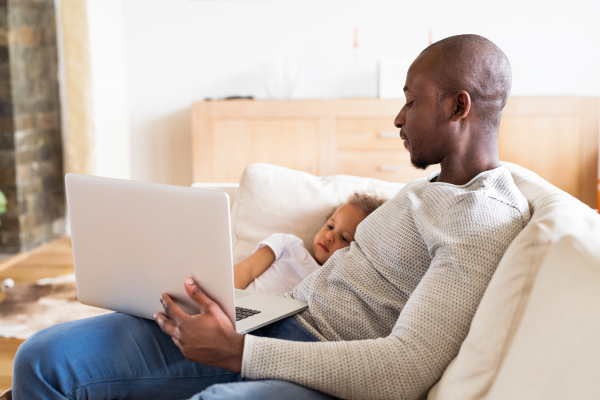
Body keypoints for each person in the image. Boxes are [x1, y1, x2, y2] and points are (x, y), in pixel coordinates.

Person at [11, 34, 531, 400]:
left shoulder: (482, 219)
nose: (398, 117)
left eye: (411, 101)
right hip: (275, 318)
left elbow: (402, 372)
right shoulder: (430, 188)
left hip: (320, 366)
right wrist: (236, 317)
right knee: (42, 356)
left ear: (458, 107)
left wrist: (237, 353)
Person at [235, 192, 385, 293]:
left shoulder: (337, 283)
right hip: (240, 309)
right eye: (330, 226)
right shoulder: (288, 245)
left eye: (344, 238)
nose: (329, 236)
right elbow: (247, 269)